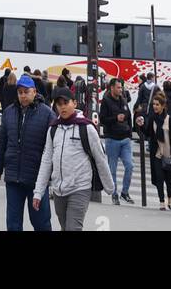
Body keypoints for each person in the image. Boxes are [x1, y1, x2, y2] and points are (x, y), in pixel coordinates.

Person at [33, 87, 114, 231]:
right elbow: (46, 161)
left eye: (66, 102)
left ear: (74, 103)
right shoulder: (53, 129)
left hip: (80, 188)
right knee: (65, 227)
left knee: (73, 228)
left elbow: (100, 157)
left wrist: (109, 187)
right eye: (59, 104)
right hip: (58, 190)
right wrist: (38, 192)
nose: (62, 107)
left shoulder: (86, 128)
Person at [0, 73, 53, 232]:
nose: (23, 96)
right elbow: (2, 142)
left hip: (37, 179)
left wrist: (52, 175)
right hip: (13, 177)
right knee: (13, 224)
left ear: (34, 92)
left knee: (41, 223)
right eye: (20, 92)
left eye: (27, 92)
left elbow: (53, 147)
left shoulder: (47, 114)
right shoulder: (9, 112)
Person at [137, 88, 171, 210]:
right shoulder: (152, 118)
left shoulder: (169, 120)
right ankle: (161, 201)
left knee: (168, 179)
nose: (155, 107)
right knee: (159, 178)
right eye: (154, 104)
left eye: (157, 105)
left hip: (169, 153)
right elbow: (148, 133)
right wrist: (140, 126)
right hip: (157, 154)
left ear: (163, 106)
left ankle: (170, 198)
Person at [98, 76, 134, 204]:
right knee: (112, 169)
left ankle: (125, 192)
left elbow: (129, 115)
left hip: (125, 138)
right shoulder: (106, 101)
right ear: (112, 88)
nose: (121, 89)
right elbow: (102, 119)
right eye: (118, 87)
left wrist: (130, 133)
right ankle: (114, 194)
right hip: (112, 139)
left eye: (121, 87)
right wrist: (115, 118)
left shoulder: (123, 99)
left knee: (130, 166)